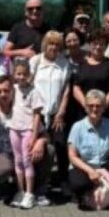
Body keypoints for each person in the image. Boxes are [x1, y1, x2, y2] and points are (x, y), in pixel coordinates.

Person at [0, 75, 54, 205]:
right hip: (5, 154)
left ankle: (38, 191)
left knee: (49, 150)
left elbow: (46, 135)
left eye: (6, 90)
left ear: (13, 90)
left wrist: (40, 142)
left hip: (25, 153)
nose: (3, 94)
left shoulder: (24, 111)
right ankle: (9, 188)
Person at [67, 89, 109, 211]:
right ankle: (93, 196)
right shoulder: (77, 127)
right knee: (79, 183)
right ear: (85, 107)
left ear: (103, 108)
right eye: (91, 106)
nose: (94, 109)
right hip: (85, 166)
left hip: (104, 166)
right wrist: (90, 171)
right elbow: (72, 156)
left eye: (98, 106)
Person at [29, 31, 71, 190]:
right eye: (50, 44)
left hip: (56, 113)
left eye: (57, 44)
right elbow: (28, 84)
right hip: (37, 113)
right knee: (35, 146)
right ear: (44, 45)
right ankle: (35, 182)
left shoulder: (64, 63)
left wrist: (61, 112)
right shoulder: (35, 61)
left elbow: (66, 90)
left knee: (60, 146)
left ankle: (63, 182)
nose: (53, 47)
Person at [4, 60, 44, 209]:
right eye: (18, 74)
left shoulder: (34, 91)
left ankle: (29, 193)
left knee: (27, 161)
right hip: (14, 128)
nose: (20, 77)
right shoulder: (13, 88)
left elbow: (37, 114)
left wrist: (34, 135)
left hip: (27, 130)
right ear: (14, 75)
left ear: (29, 75)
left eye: (24, 74)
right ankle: (20, 191)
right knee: (18, 160)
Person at [70, 29, 109, 122]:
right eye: (95, 43)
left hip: (106, 115)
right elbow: (76, 88)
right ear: (89, 45)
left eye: (102, 44)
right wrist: (87, 106)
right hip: (84, 115)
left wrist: (99, 107)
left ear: (106, 46)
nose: (98, 47)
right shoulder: (81, 64)